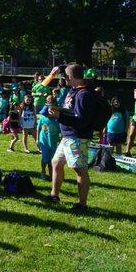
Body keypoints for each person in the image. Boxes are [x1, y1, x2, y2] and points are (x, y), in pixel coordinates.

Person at [46, 65, 96, 212]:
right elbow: (72, 111)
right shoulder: (74, 91)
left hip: (77, 137)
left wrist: (59, 116)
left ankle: (82, 205)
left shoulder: (84, 94)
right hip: (68, 136)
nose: (64, 80)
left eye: (65, 77)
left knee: (79, 169)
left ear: (70, 78)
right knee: (56, 162)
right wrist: (59, 110)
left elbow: (82, 120)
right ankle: (54, 195)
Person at [37, 95, 61, 179]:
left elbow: (61, 131)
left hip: (53, 142)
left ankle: (51, 175)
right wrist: (37, 140)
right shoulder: (42, 118)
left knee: (52, 160)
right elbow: (38, 129)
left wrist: (61, 140)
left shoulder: (57, 119)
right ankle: (43, 171)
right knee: (44, 159)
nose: (48, 114)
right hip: (44, 141)